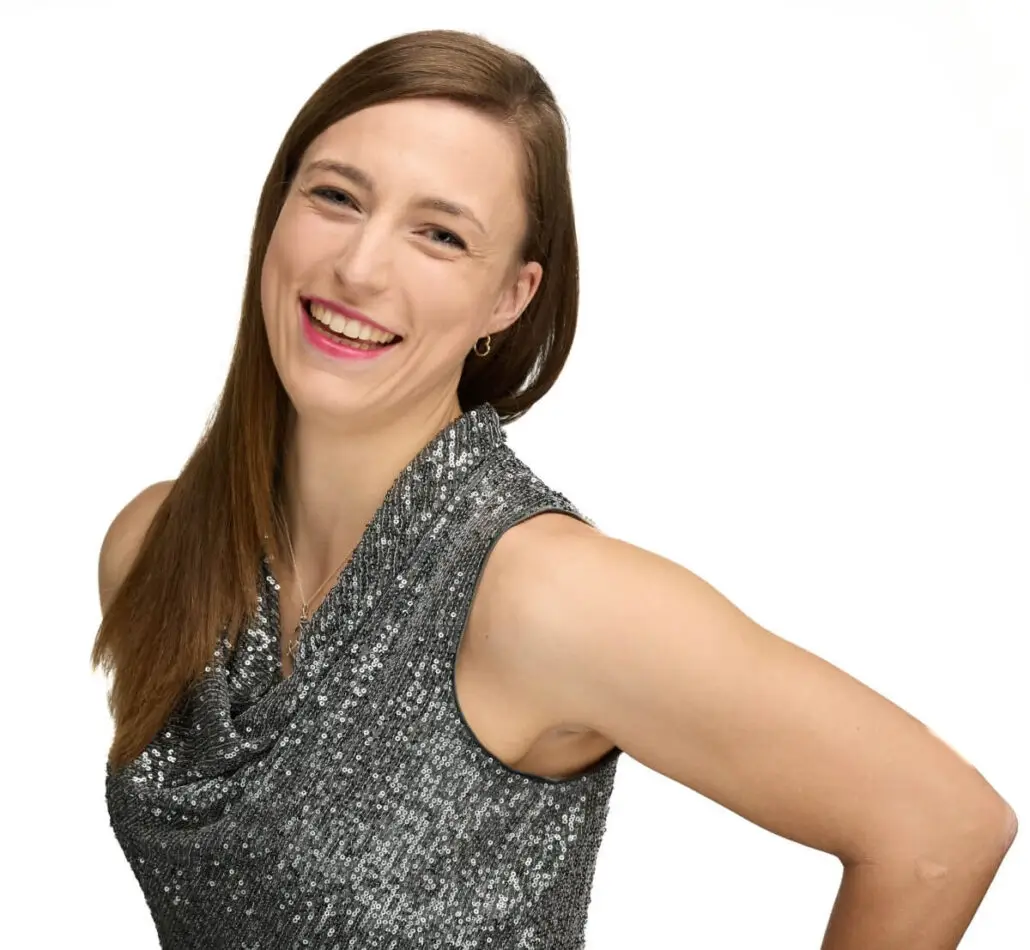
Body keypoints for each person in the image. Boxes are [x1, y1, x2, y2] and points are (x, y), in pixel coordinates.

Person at [92, 28, 1017, 950]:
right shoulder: (157, 545)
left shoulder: (539, 592)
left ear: (510, 297)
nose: (360, 267)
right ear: (277, 210)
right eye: (336, 197)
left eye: (440, 235)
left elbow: (938, 830)